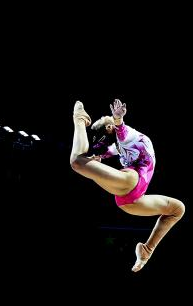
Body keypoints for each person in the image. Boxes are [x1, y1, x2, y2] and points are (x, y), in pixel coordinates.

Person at [70, 98, 185, 272]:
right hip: (133, 196)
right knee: (178, 209)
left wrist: (118, 119)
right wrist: (99, 157)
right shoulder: (118, 145)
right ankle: (147, 251)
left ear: (110, 128)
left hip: (131, 186)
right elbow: (110, 150)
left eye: (102, 139)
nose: (102, 144)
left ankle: (79, 119)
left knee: (77, 162)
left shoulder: (126, 135)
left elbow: (121, 132)